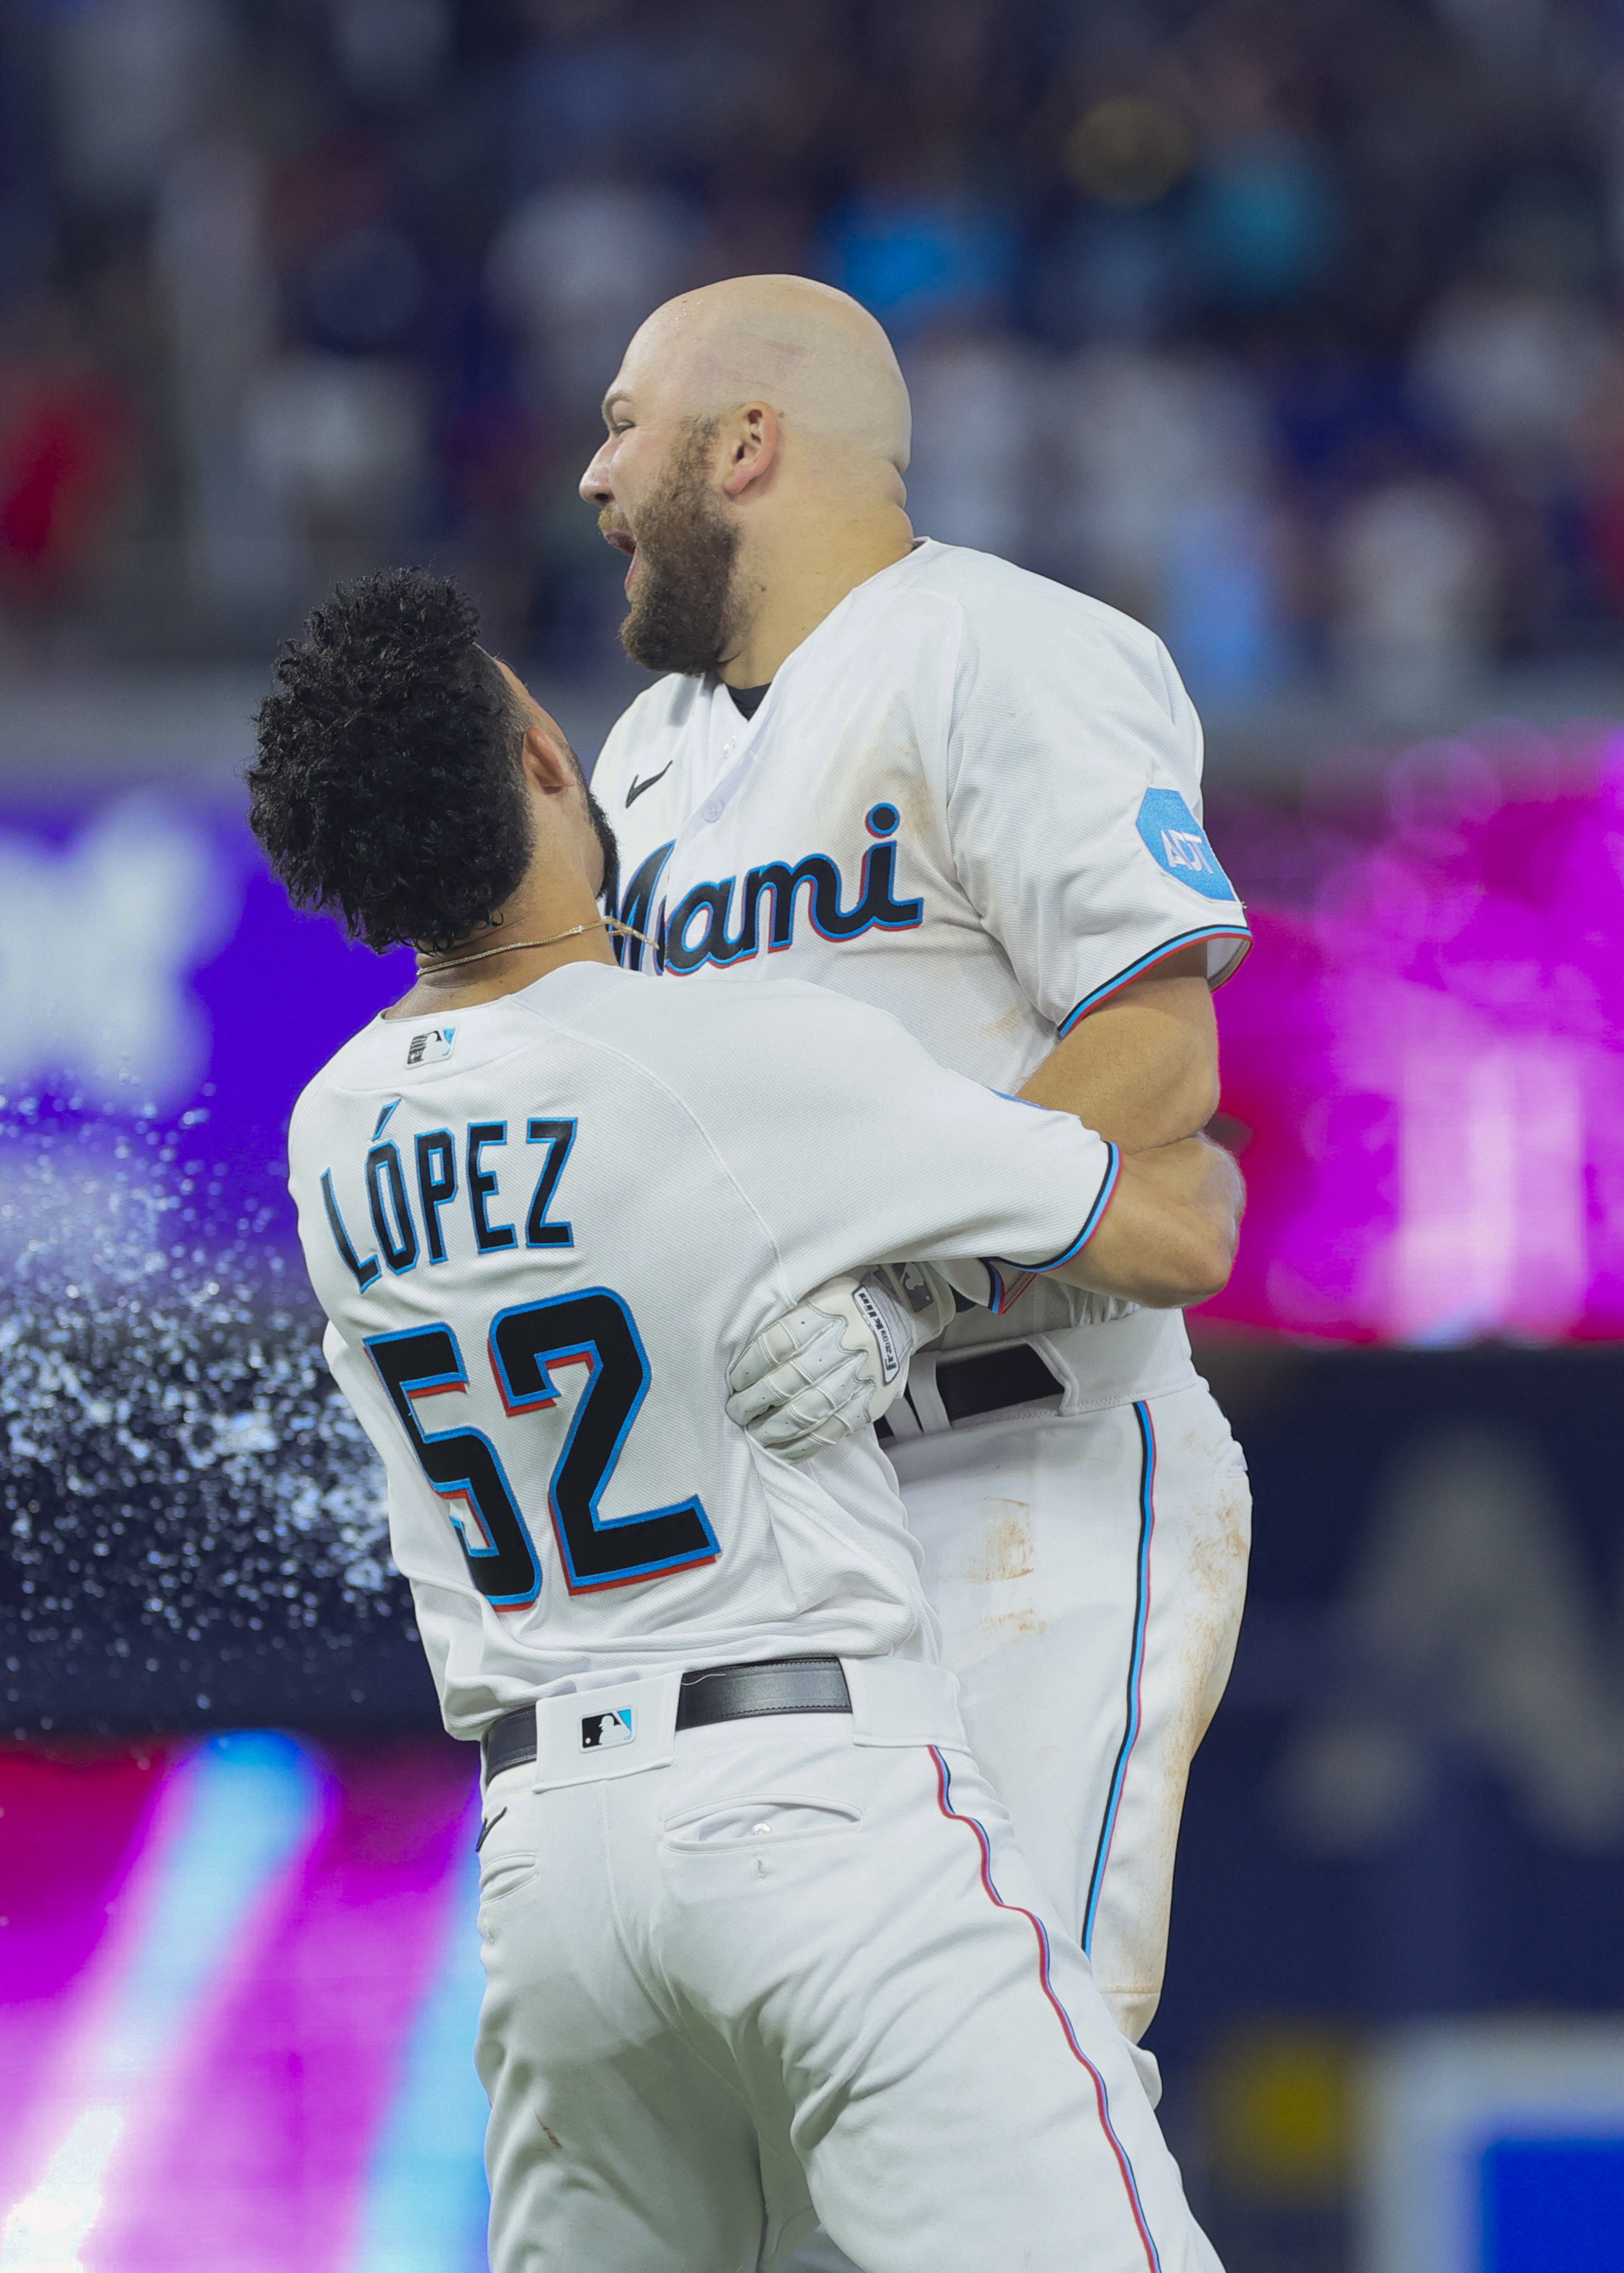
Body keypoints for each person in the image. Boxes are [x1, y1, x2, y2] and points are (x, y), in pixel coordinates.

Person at [250, 568, 1240, 2272]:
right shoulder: (725, 1056)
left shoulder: (327, 1135)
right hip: (806, 1798)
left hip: (545, 1865)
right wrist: (906, 1286)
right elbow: (1184, 1217)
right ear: (552, 761)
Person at [580, 275, 1253, 2134]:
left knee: (998, 2116)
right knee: (779, 2142)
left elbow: (1156, 1052)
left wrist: (904, 1282)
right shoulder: (647, 753)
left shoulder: (1001, 646)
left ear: (749, 443)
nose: (590, 472)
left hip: (1016, 1478)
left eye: (626, 420)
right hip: (769, 1517)